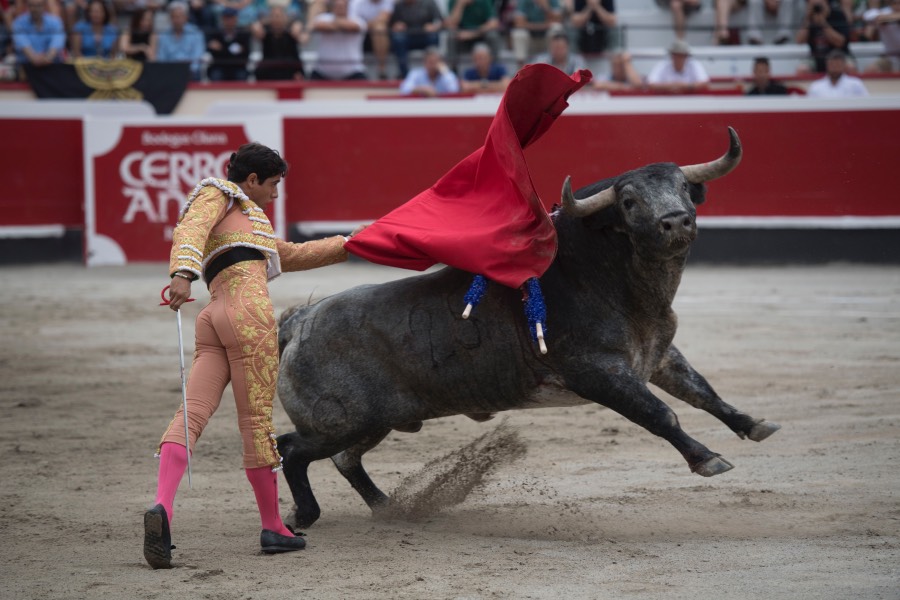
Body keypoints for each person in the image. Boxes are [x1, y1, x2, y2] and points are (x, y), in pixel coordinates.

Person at [143, 142, 365, 569]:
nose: (275, 194)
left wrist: (352, 243)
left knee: (192, 413)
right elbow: (189, 230)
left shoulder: (246, 219)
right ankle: (273, 527)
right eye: (273, 184)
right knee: (256, 423)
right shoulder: (219, 193)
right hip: (248, 317)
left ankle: (162, 508)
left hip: (214, 318)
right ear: (251, 180)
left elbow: (291, 254)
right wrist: (181, 274)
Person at [309, 0, 368, 80]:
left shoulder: (358, 20)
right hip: (322, 72)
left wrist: (334, 25)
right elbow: (318, 26)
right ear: (333, 7)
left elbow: (353, 27)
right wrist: (341, 26)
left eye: (342, 6)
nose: (340, 8)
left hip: (353, 72)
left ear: (347, 7)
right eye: (338, 6)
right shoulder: (323, 18)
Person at [389, 0, 442, 78]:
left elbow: (440, 21)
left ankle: (433, 71)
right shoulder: (398, 6)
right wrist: (396, 26)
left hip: (425, 36)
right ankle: (404, 74)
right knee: (398, 39)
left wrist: (434, 26)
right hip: (407, 37)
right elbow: (391, 24)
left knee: (433, 36)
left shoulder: (429, 3)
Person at [251, 4, 305, 80]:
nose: (276, 19)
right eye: (273, 16)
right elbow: (256, 28)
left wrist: (298, 28)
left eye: (278, 16)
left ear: (285, 17)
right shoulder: (265, 32)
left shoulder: (292, 31)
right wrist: (264, 22)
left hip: (289, 69)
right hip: (270, 70)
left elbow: (303, 40)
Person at [444, 0, 502, 72]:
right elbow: (451, 25)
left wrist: (472, 34)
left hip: (480, 35)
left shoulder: (484, 1)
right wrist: (460, 5)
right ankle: (452, 69)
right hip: (462, 37)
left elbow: (493, 23)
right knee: (451, 36)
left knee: (492, 35)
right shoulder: (453, 2)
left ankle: (494, 67)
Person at [796, 0, 851, 73]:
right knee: (802, 69)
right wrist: (808, 18)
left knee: (849, 67)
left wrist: (823, 22)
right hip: (816, 56)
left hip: (838, 54)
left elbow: (840, 42)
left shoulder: (838, 15)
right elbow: (799, 41)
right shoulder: (808, 18)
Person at [156, 1, 205, 80]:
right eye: (174, 17)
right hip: (169, 73)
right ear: (170, 18)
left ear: (186, 17)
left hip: (190, 73)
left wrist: (187, 70)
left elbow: (197, 57)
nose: (177, 20)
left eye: (180, 17)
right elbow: (161, 58)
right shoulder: (164, 36)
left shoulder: (196, 33)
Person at [509, 0, 562, 67]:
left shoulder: (553, 1)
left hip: (546, 38)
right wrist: (542, 26)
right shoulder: (523, 2)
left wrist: (546, 7)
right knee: (519, 33)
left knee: (557, 28)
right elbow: (519, 23)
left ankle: (555, 65)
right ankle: (521, 67)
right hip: (530, 38)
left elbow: (557, 20)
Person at [12, 0, 65, 66]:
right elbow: (23, 45)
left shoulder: (56, 22)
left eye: (39, 5)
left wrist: (47, 58)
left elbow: (57, 44)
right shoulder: (18, 23)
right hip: (27, 65)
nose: (35, 9)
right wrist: (35, 59)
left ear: (44, 6)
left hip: (52, 65)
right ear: (27, 6)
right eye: (32, 5)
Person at [351, 0, 393, 79]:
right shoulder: (357, 2)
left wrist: (364, 25)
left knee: (380, 29)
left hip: (377, 34)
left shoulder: (387, 1)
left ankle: (382, 68)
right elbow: (353, 23)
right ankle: (352, 67)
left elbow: (383, 18)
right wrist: (364, 26)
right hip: (359, 34)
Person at [206, 6, 250, 80]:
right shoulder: (215, 33)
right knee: (216, 75)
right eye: (226, 18)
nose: (229, 21)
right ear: (222, 19)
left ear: (236, 19)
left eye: (231, 18)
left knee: (241, 75)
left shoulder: (243, 34)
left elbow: (246, 53)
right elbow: (211, 51)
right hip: (219, 67)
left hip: (238, 67)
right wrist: (230, 51)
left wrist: (222, 49)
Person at [865, 0, 900, 72]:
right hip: (889, 56)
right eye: (894, 3)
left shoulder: (884, 14)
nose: (898, 6)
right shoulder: (884, 11)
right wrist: (894, 17)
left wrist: (888, 18)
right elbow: (869, 16)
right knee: (871, 70)